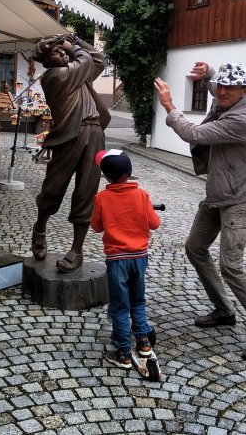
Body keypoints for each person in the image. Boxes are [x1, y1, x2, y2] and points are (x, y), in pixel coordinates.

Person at [153, 62, 246, 363]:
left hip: (241, 197)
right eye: (221, 86)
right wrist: (211, 73)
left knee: (232, 266)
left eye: (231, 87)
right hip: (220, 190)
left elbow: (192, 133)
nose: (222, 92)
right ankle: (225, 311)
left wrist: (170, 106)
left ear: (245, 89)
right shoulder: (236, 98)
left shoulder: (244, 119)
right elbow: (220, 91)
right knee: (195, 247)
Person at [31, 34, 111, 273]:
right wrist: (70, 44)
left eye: (64, 51)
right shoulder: (55, 77)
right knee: (52, 189)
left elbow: (98, 58)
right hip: (69, 137)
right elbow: (87, 59)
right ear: (47, 61)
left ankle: (77, 249)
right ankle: (41, 227)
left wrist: (74, 40)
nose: (63, 54)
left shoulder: (77, 72)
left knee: (86, 191)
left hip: (94, 133)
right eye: (57, 52)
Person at [90, 149, 161, 369]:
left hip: (117, 259)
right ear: (130, 173)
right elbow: (155, 223)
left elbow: (96, 226)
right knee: (138, 300)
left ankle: (123, 351)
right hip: (139, 258)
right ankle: (143, 342)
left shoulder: (102, 198)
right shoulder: (142, 195)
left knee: (120, 306)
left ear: (106, 177)